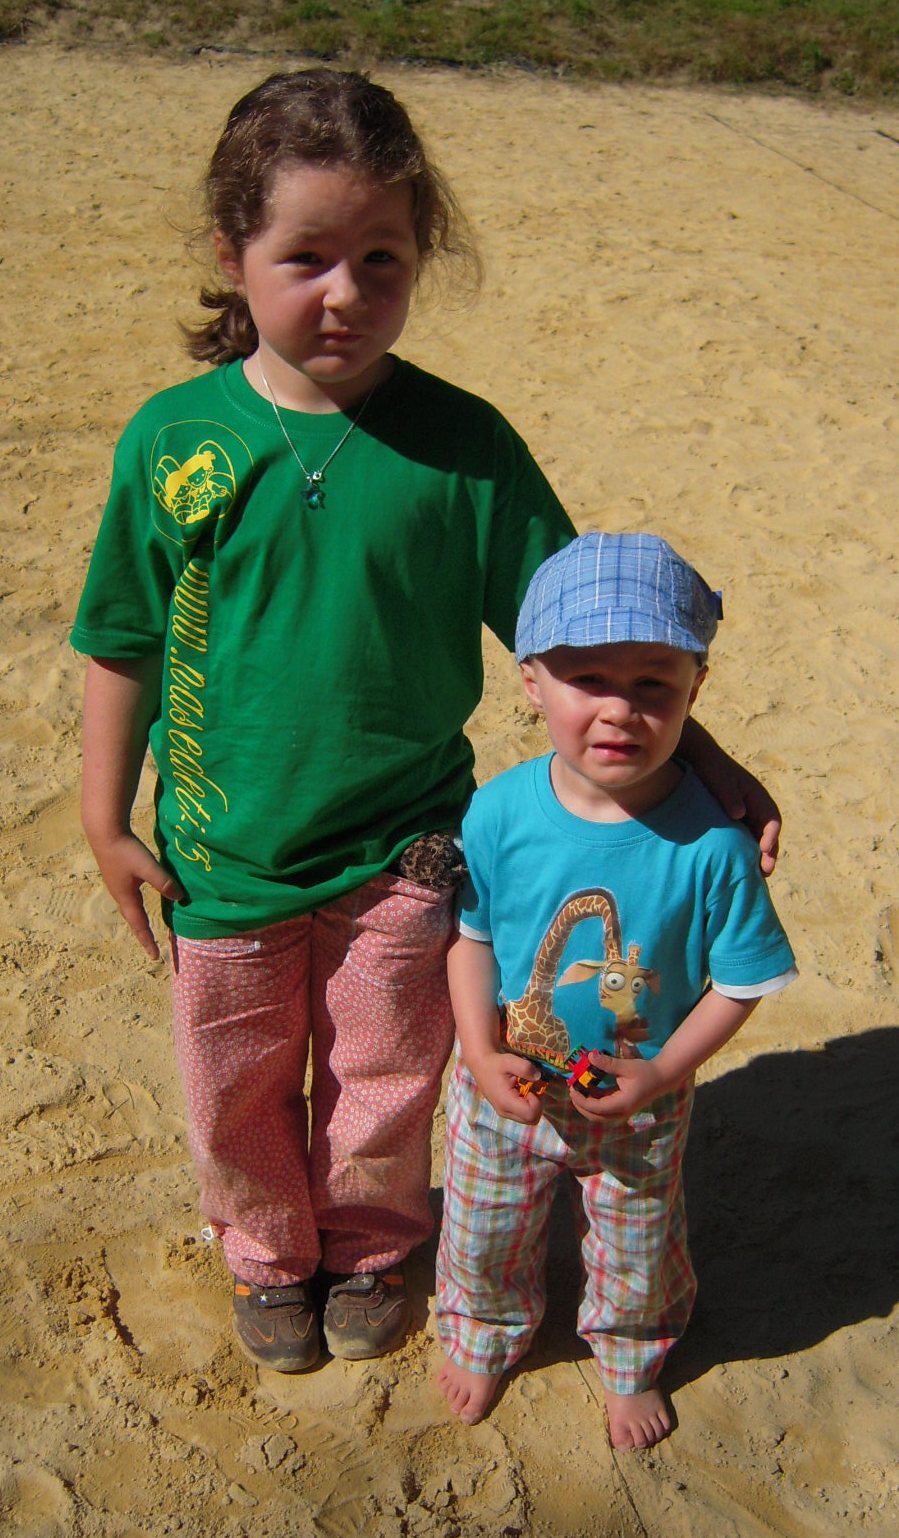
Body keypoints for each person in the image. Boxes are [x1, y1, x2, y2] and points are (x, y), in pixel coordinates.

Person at [70, 69, 781, 1377]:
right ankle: (267, 1252)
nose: (345, 291)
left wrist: (707, 755)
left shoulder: (463, 447)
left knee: (386, 1075)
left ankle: (368, 1246)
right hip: (223, 852)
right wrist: (104, 816)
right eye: (306, 257)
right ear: (232, 253)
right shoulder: (174, 440)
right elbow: (119, 638)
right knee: (235, 1084)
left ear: (418, 259)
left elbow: (583, 637)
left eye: (381, 258)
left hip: (409, 847)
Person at [436, 532, 796, 1449]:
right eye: (586, 678)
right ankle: (484, 1331)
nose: (618, 710)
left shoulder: (712, 845)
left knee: (638, 1243)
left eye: (652, 684)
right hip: (504, 1083)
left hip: (639, 1101)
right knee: (482, 1230)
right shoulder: (498, 811)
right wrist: (476, 1048)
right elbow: (471, 938)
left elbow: (741, 981)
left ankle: (631, 1356)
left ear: (695, 689)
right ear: (530, 681)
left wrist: (664, 1072)